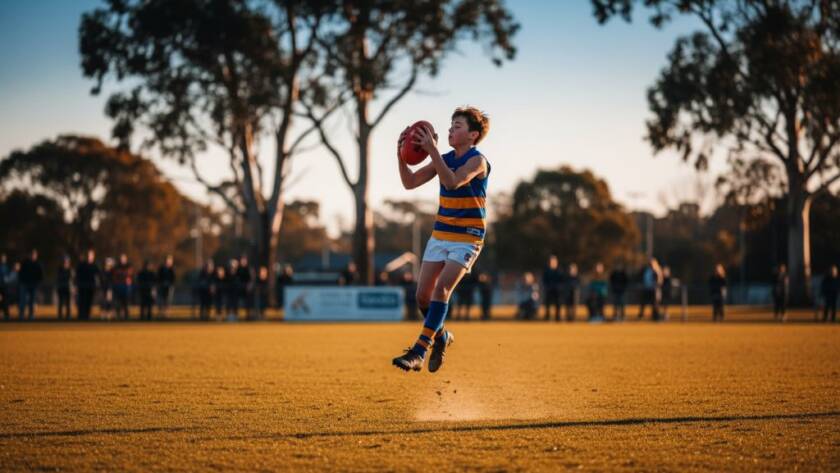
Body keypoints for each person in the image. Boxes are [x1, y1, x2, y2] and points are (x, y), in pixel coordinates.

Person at [391, 106, 491, 372]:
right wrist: (400, 154)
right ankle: (442, 336)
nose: (450, 130)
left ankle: (419, 352)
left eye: (457, 126)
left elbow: (452, 182)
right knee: (422, 296)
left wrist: (433, 150)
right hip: (441, 234)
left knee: (441, 290)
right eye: (450, 125)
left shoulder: (477, 161)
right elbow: (410, 183)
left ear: (472, 135)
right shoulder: (443, 157)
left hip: (467, 238)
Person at [18, 249, 43, 320]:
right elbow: (20, 273)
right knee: (23, 300)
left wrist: (38, 283)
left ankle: (31, 315)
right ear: (29, 255)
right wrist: (21, 281)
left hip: (34, 285)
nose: (33, 256)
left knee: (32, 301)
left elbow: (40, 275)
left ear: (36, 256)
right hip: (24, 284)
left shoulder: (38, 264)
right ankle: (21, 314)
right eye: (32, 254)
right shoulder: (25, 262)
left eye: (34, 255)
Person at [75, 250, 99, 320]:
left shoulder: (95, 265)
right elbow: (78, 275)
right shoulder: (83, 264)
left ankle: (87, 316)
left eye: (92, 255)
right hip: (82, 286)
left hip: (90, 286)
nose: (91, 257)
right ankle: (81, 316)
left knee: (89, 302)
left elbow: (97, 275)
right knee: (82, 301)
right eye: (90, 255)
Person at [542, 255, 563, 321]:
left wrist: (558, 286)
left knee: (558, 303)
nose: (552, 263)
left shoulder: (559, 270)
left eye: (553, 261)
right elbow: (544, 280)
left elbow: (562, 280)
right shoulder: (546, 270)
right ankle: (547, 317)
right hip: (549, 289)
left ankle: (558, 317)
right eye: (551, 261)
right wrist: (547, 286)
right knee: (547, 303)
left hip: (557, 290)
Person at [113, 253, 133, 320]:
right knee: (118, 302)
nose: (123, 260)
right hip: (119, 287)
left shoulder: (128, 266)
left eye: (124, 258)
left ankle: (126, 316)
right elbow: (115, 276)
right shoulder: (117, 267)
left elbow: (130, 275)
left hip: (126, 287)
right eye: (122, 258)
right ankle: (118, 316)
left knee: (126, 302)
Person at [56, 256, 73, 320]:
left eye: (67, 261)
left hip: (67, 288)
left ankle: (68, 316)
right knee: (60, 302)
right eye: (65, 261)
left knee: (68, 302)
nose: (66, 262)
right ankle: (60, 316)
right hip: (61, 287)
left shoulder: (70, 270)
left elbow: (72, 279)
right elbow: (58, 278)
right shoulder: (60, 269)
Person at [0, 254, 10, 320]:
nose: (3, 259)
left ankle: (6, 314)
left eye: (4, 258)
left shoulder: (6, 267)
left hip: (5, 286)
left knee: (5, 300)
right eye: (2, 258)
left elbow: (8, 276)